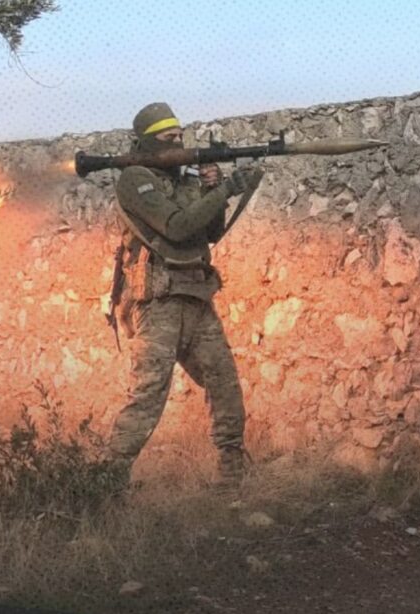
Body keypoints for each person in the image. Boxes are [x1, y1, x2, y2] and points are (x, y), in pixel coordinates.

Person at [106, 102, 262, 486]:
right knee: (149, 394)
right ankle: (106, 481)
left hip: (195, 298)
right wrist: (222, 189)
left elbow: (208, 232)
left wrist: (212, 190)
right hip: (157, 303)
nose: (176, 143)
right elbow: (176, 227)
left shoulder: (184, 181)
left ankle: (232, 477)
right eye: (167, 138)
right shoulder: (135, 180)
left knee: (224, 385)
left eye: (179, 136)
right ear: (146, 142)